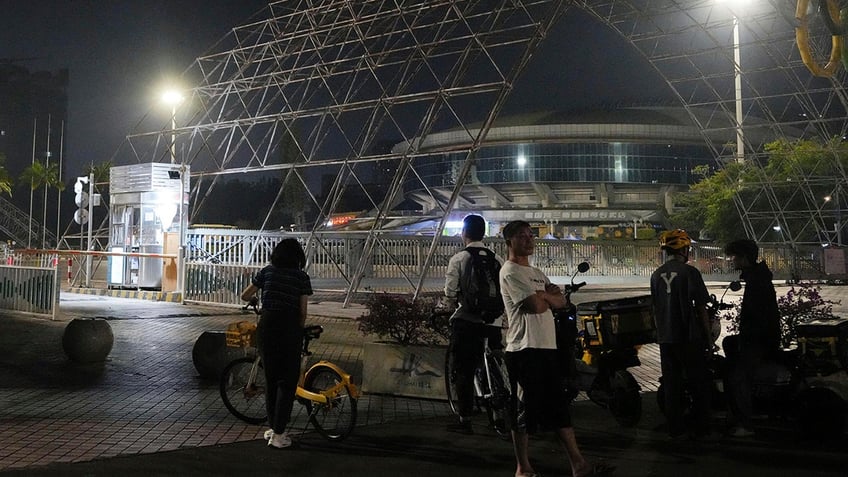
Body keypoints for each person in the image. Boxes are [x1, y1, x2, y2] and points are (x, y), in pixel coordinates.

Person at [499, 220, 614, 477]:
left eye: (531, 236)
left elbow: (560, 301)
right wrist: (546, 298)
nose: (529, 240)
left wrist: (546, 297)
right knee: (523, 408)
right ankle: (523, 468)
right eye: (522, 236)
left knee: (558, 405)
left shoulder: (537, 273)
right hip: (523, 349)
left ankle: (579, 464)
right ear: (509, 242)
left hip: (547, 347)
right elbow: (536, 306)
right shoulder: (510, 272)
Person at [240, 238, 313, 449]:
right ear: (298, 257)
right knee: (287, 382)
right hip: (289, 328)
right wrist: (298, 330)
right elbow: (303, 312)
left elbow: (245, 294)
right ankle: (280, 435)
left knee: (271, 379)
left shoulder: (267, 272)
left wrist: (256, 301)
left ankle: (273, 429)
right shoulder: (301, 277)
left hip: (267, 326)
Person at [443, 214, 504, 434]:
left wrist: (446, 307)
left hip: (468, 320)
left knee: (464, 370)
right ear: (484, 234)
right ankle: (500, 409)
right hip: (494, 321)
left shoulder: (459, 259)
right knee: (494, 362)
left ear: (464, 234)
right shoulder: (497, 259)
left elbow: (450, 293)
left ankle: (465, 419)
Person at [649, 229, 712, 440]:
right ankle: (702, 428)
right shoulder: (690, 273)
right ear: (684, 249)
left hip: (666, 338)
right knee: (698, 382)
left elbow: (655, 307)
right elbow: (701, 307)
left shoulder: (656, 274)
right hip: (689, 335)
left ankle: (675, 428)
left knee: (671, 384)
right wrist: (709, 339)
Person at [722, 238, 781, 438]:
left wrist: (746, 341)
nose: (731, 260)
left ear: (744, 257)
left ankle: (745, 423)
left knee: (738, 377)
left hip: (758, 340)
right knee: (729, 344)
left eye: (734, 256)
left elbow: (758, 316)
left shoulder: (757, 282)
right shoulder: (757, 277)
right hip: (760, 337)